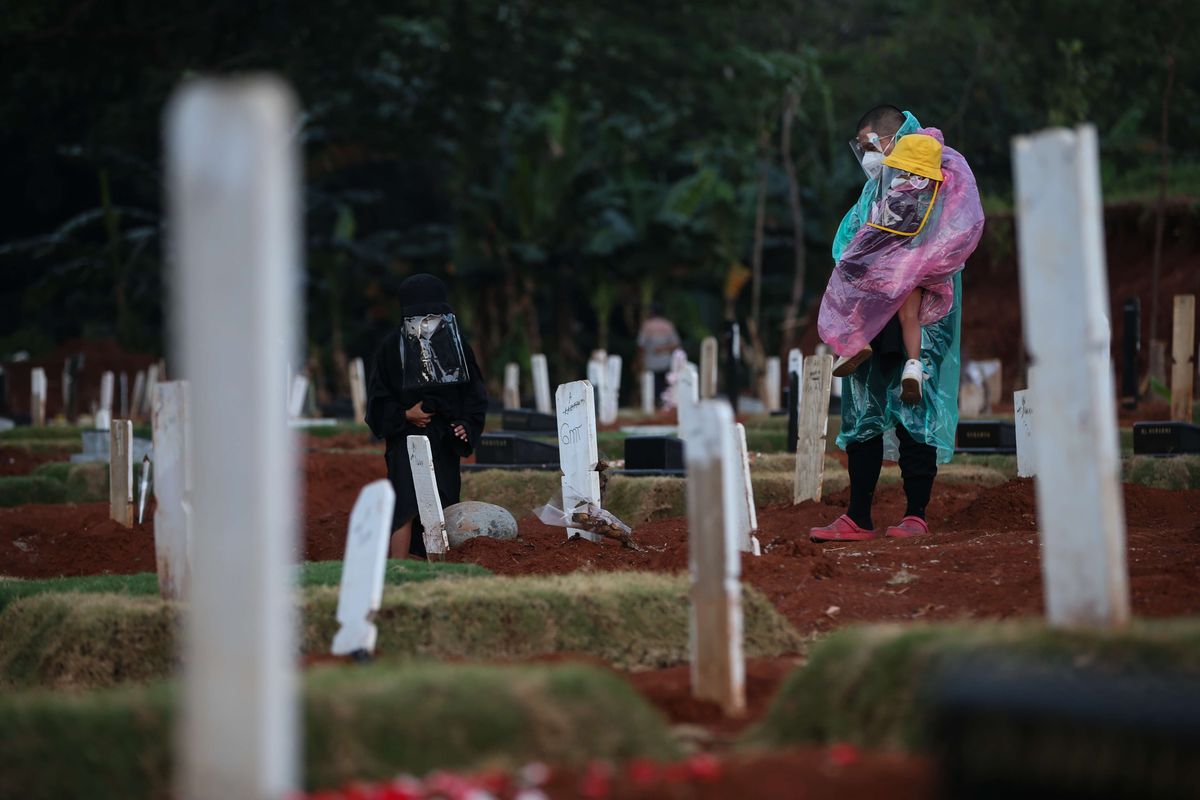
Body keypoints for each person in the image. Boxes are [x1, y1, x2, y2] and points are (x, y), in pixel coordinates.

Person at [810, 105, 984, 542]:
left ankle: (916, 513)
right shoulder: (873, 190)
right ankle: (857, 516)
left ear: (890, 138)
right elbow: (850, 241)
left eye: (870, 146)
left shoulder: (940, 167)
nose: (867, 156)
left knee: (916, 406)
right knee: (862, 406)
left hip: (925, 306)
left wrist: (909, 268)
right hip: (873, 310)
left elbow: (956, 231)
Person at [819, 132, 955, 403]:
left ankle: (857, 344)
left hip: (882, 270)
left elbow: (872, 234)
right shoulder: (934, 197)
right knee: (910, 319)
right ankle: (913, 366)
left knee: (858, 301)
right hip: (914, 271)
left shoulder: (892, 195)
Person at [365, 273, 489, 558]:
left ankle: (437, 565)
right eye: (419, 317)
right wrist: (405, 414)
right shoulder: (390, 349)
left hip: (444, 441)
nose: (426, 322)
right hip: (406, 440)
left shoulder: (457, 347)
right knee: (405, 505)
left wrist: (465, 425)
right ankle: (399, 566)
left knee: (442, 504)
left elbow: (474, 396)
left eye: (433, 316)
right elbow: (377, 400)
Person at [636, 304, 681, 408]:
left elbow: (641, 345)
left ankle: (654, 405)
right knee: (665, 386)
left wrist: (639, 360)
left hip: (651, 362)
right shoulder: (668, 325)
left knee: (652, 386)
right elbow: (676, 344)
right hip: (666, 362)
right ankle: (664, 405)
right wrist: (664, 348)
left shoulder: (647, 325)